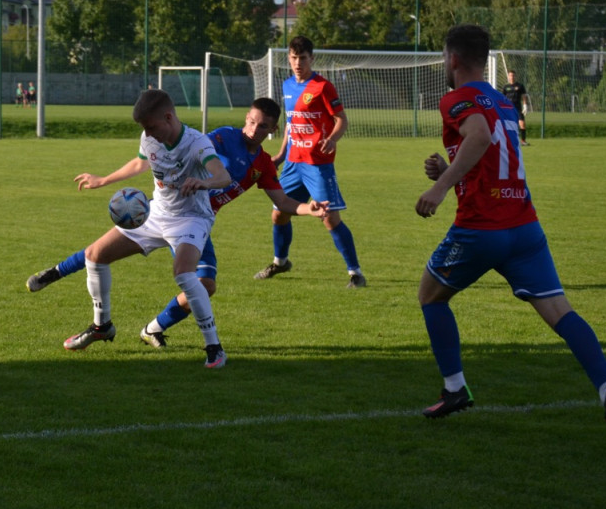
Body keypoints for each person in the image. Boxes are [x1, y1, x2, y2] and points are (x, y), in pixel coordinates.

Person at [414, 24, 606, 452]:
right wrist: (449, 171)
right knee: (560, 312)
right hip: (525, 226)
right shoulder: (501, 100)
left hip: (482, 228)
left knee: (430, 295)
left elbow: (477, 137)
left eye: (444, 57)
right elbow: (488, 155)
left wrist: (440, 189)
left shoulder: (456, 98)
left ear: (453, 59)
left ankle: (455, 388)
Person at [27, 98, 330, 348]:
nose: (253, 129)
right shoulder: (224, 137)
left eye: (262, 125)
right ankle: (57, 272)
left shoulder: (262, 164)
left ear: (272, 129)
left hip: (195, 223)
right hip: (170, 209)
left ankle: (153, 328)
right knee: (100, 252)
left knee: (205, 285)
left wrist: (309, 208)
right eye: (250, 121)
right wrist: (104, 179)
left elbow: (284, 203)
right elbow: (162, 154)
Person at [57, 88, 233, 368]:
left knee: (185, 274)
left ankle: (214, 347)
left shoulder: (197, 144)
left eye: (151, 127)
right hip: (156, 214)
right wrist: (103, 180)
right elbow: (140, 162)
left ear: (168, 117)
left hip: (191, 218)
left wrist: (205, 183)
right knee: (95, 255)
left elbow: (222, 175)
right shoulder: (149, 137)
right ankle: (102, 326)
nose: (148, 134)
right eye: (144, 129)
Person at [253, 35, 366, 289]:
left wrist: (334, 139)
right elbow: (292, 125)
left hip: (317, 164)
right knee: (278, 214)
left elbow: (341, 119)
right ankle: (280, 262)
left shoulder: (323, 87)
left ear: (311, 59)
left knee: (329, 218)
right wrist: (282, 154)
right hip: (293, 162)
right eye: (293, 58)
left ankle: (355, 273)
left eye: (302, 58)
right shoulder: (287, 86)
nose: (297, 63)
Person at [501, 70, 531, 145]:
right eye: (510, 75)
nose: (512, 77)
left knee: (522, 124)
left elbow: (524, 96)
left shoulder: (520, 86)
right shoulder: (506, 87)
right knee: (507, 125)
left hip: (518, 108)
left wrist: (525, 106)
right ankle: (507, 140)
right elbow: (502, 98)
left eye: (513, 75)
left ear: (515, 76)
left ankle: (523, 141)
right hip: (508, 109)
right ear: (508, 76)